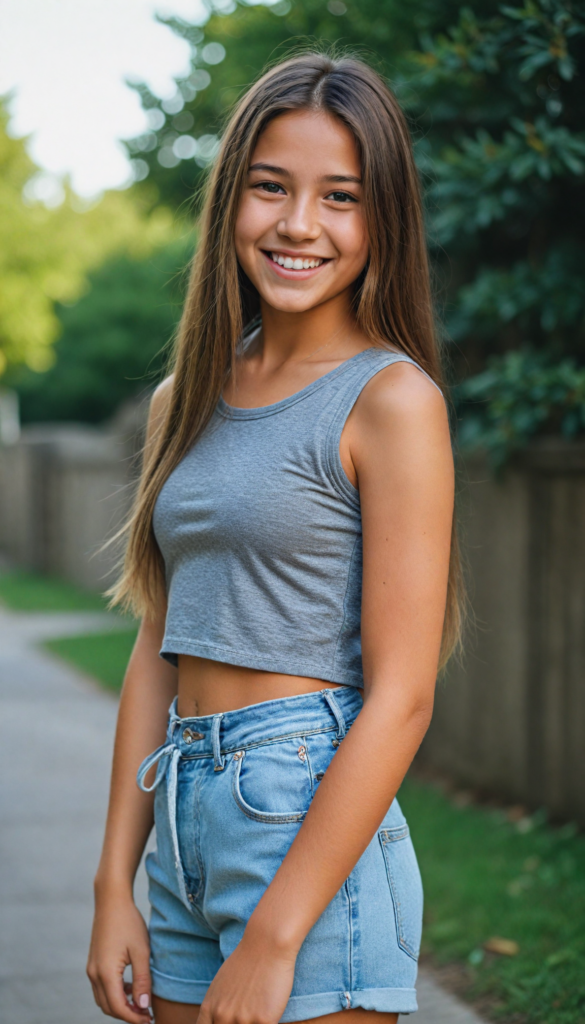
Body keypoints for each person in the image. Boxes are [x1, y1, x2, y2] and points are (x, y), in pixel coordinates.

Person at [87, 50, 460, 1024]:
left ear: (383, 219)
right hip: (183, 810)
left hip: (306, 822)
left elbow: (403, 696)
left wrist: (276, 931)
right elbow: (156, 647)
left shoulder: (391, 401)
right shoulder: (186, 396)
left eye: (341, 196)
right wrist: (111, 886)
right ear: (231, 203)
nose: (299, 224)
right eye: (271, 188)